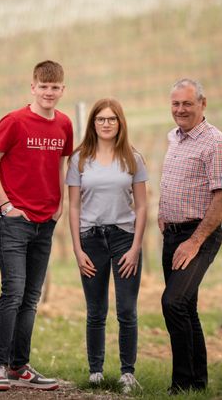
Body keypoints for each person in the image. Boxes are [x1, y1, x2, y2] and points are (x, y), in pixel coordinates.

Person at [0, 60, 74, 392]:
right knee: (13, 292)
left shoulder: (64, 124)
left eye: (55, 87)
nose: (49, 92)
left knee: (32, 297)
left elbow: (61, 164)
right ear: (33, 87)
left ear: (62, 90)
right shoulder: (15, 121)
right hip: (14, 222)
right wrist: (6, 205)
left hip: (45, 222)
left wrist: (60, 203)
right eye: (43, 86)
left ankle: (19, 367)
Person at [158, 78, 222, 394]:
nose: (180, 109)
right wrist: (164, 212)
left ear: (203, 104)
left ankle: (180, 384)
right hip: (172, 234)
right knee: (186, 307)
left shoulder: (215, 142)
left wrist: (194, 241)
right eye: (176, 103)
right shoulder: (174, 137)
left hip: (199, 235)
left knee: (173, 302)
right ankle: (197, 385)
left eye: (187, 103)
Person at [66, 98, 148, 394]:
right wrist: (78, 250)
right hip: (90, 239)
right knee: (96, 311)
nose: (106, 124)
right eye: (100, 119)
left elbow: (142, 206)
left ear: (120, 123)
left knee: (126, 310)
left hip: (124, 238)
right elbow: (74, 206)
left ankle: (127, 373)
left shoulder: (133, 158)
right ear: (93, 123)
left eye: (112, 119)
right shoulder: (79, 159)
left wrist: (135, 247)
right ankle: (96, 372)